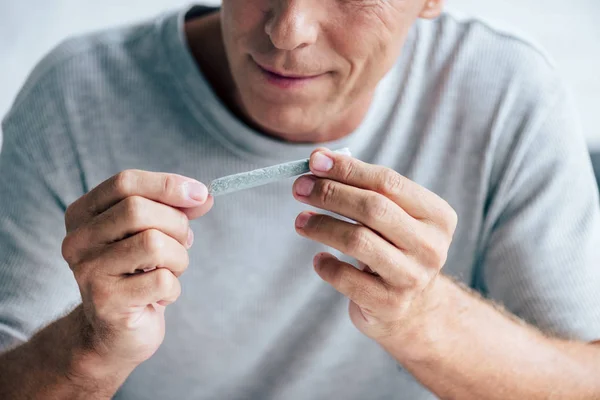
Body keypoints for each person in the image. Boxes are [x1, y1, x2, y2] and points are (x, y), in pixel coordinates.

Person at [0, 1, 599, 398]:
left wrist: (423, 318)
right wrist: (89, 348)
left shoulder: (507, 92)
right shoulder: (75, 97)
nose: (288, 32)